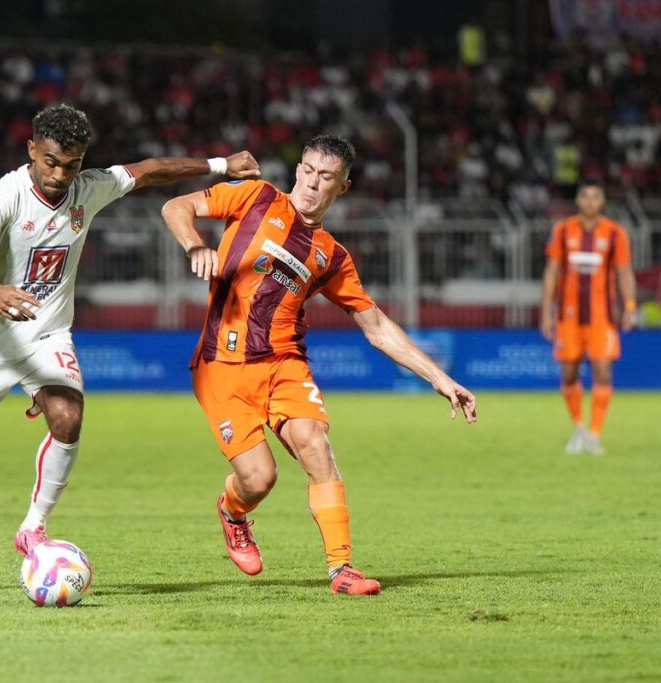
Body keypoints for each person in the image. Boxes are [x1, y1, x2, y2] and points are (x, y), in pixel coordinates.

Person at [0, 103, 260, 591]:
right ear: (32, 150)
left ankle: (33, 525)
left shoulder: (88, 188)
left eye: (72, 163)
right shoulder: (5, 194)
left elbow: (148, 172)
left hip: (48, 333)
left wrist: (221, 166)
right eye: (51, 161)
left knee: (69, 417)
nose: (60, 174)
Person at [160, 135, 477, 595]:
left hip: (285, 363)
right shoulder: (255, 196)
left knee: (316, 445)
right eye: (307, 170)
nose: (311, 182)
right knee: (259, 478)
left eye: (325, 176)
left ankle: (342, 569)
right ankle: (232, 512)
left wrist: (440, 379)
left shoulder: (331, 256)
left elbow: (377, 326)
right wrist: (194, 247)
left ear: (342, 187)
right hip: (221, 366)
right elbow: (176, 207)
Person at [539, 182, 636, 456]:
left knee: (603, 371)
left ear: (603, 201)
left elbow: (624, 271)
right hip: (568, 316)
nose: (590, 201)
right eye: (585, 196)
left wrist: (629, 305)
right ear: (578, 200)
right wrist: (546, 311)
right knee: (569, 372)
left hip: (602, 317)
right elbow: (552, 272)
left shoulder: (616, 233)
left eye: (596, 196)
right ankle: (578, 427)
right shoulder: (563, 230)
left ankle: (594, 434)